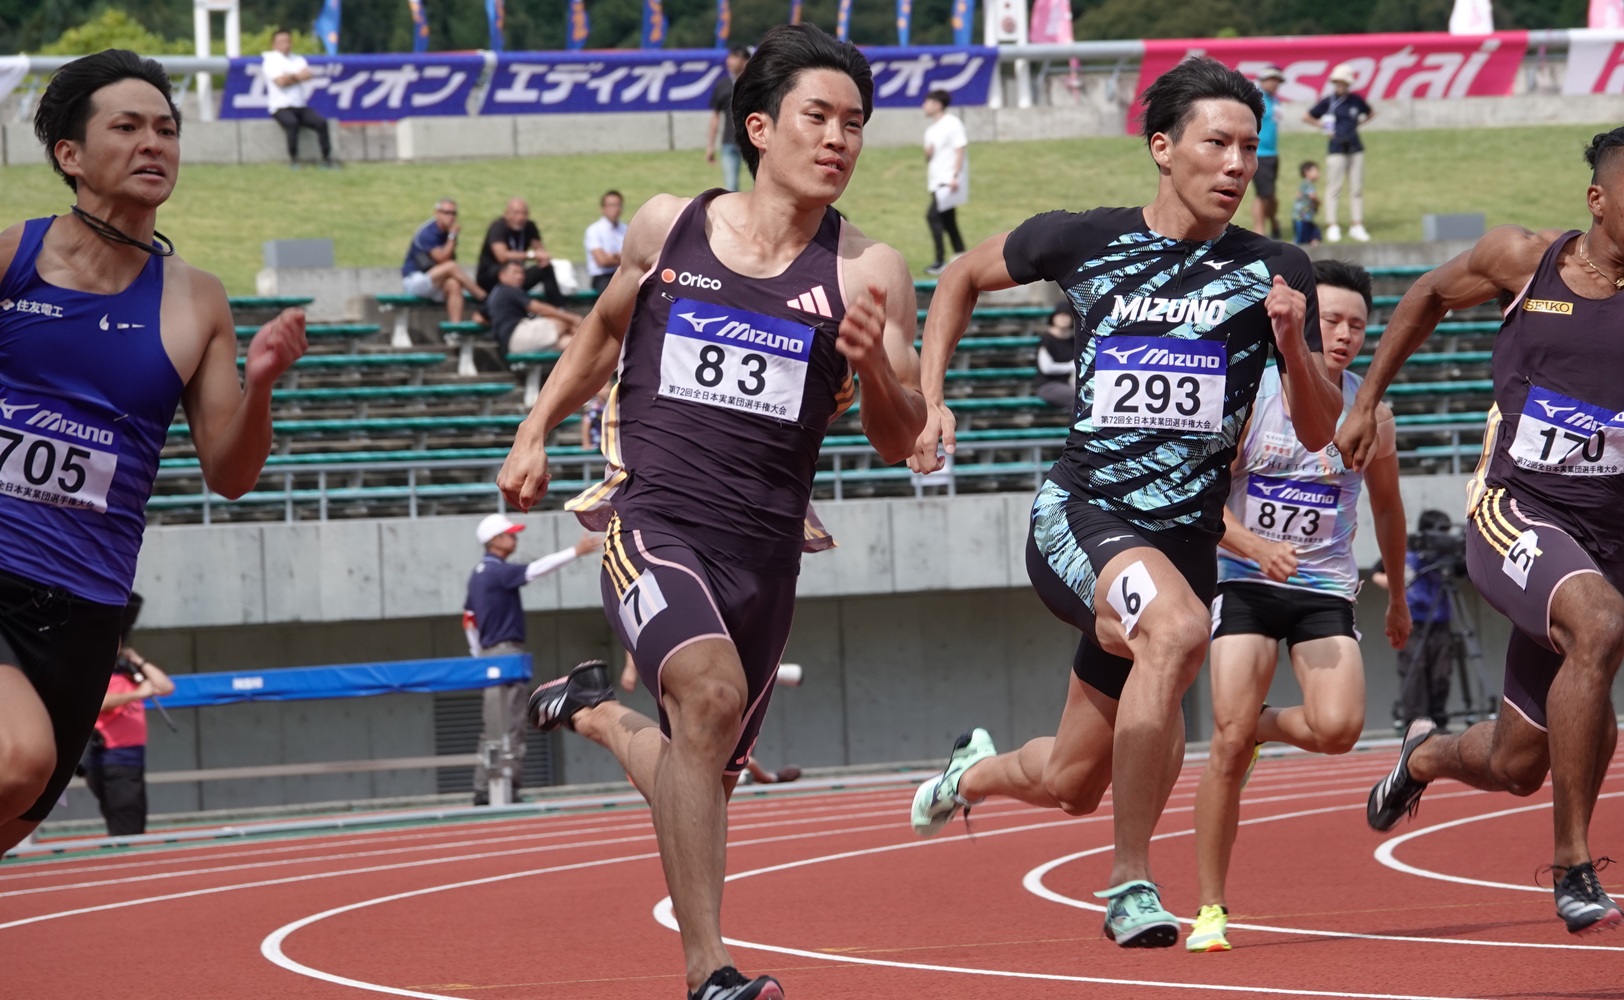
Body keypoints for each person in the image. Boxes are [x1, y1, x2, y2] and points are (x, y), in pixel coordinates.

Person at [499, 25, 926, 999]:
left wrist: (871, 367)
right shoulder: (668, 227)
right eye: (817, 117)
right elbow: (605, 331)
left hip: (766, 551)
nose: (838, 139)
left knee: (703, 771)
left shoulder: (871, 271)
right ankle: (710, 971)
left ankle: (600, 713)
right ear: (759, 126)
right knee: (709, 700)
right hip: (654, 521)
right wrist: (534, 431)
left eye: (855, 123)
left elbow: (898, 441)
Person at [906, 55, 1340, 950]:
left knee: (1072, 779)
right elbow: (955, 280)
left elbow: (1317, 425)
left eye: (1249, 150)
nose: (1235, 165)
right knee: (1178, 633)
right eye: (1216, 143)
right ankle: (1132, 882)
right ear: (1161, 148)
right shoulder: (1084, 240)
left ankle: (971, 774)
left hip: (1180, 543)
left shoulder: (1275, 268)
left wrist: (1297, 348)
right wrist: (931, 396)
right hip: (1083, 514)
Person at [0, 49, 307, 854]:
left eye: (167, 129)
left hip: (87, 601)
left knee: (18, 805)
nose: (154, 144)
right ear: (69, 155)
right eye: (127, 127)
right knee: (14, 758)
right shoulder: (12, 259)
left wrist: (263, 382)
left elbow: (231, 474)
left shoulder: (195, 297)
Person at [1337, 127, 1624, 936]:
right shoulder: (1524, 261)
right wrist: (1366, 402)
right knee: (1599, 626)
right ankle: (1572, 865)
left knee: (1515, 762)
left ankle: (1422, 757)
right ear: (1598, 200)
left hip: (1613, 538)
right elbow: (1427, 295)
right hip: (1519, 511)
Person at [1187, 259, 1411, 952]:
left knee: (1341, 728)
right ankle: (1210, 909)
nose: (1343, 336)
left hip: (1321, 589)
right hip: (1246, 580)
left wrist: (1398, 597)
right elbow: (1198, 503)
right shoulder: (1251, 395)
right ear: (1305, 323)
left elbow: (1388, 508)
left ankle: (1263, 727)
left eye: (1356, 325)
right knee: (1223, 740)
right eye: (1331, 321)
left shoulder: (1369, 413)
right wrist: (1254, 547)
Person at [463, 513, 598, 806]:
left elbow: (469, 620)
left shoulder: (478, 574)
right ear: (494, 541)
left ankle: (484, 787)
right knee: (510, 724)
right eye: (509, 534)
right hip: (505, 653)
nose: (515, 538)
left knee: (493, 725)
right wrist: (575, 552)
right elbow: (535, 570)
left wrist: (478, 658)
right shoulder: (497, 571)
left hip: (488, 657)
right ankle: (504, 788)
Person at [83, 593, 173, 836]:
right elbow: (99, 704)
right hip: (112, 759)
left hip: (132, 759)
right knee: (126, 823)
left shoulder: (128, 672)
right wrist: (136, 695)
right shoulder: (96, 673)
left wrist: (137, 660)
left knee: (133, 817)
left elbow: (165, 687)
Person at [1371, 509, 1458, 732]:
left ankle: (1439, 720)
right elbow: (1376, 572)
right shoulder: (1408, 551)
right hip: (1413, 622)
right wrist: (1398, 587)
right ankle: (1415, 723)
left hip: (1440, 620)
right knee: (1414, 670)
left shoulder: (1446, 554)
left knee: (1441, 673)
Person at [1304, 65, 1373, 244]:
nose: (1340, 85)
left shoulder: (1356, 100)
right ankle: (1332, 225)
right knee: (1334, 187)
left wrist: (1358, 125)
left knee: (1356, 188)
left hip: (1355, 147)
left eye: (1343, 82)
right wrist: (1324, 127)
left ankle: (1357, 224)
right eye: (1337, 82)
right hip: (1336, 148)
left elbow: (1370, 112)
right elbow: (1307, 116)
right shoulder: (1329, 101)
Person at [260, 28, 336, 169]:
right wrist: (297, 76)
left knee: (321, 123)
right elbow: (280, 82)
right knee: (292, 123)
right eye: (282, 42)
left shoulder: (298, 59)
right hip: (280, 106)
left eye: (288, 41)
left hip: (300, 105)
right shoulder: (270, 60)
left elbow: (308, 75)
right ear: (274, 44)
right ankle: (294, 160)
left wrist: (290, 76)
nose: (286, 45)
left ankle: (326, 159)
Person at [402, 198, 484, 323]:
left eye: (453, 213)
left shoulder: (447, 233)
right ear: (436, 213)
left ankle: (455, 330)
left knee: (454, 285)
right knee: (451, 266)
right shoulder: (428, 232)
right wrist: (452, 236)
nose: (450, 217)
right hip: (415, 280)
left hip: (434, 282)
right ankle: (482, 297)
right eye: (446, 213)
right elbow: (443, 259)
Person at [482, 259, 582, 360]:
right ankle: (588, 337)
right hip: (516, 336)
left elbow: (478, 318)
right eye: (515, 272)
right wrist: (572, 317)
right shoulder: (509, 289)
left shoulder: (494, 294)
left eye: (522, 273)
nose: (520, 276)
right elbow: (538, 308)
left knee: (567, 342)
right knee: (562, 322)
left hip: (509, 343)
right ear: (502, 275)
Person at [475, 198, 563, 304]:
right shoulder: (498, 227)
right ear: (506, 214)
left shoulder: (529, 226)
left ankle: (558, 307)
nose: (520, 217)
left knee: (545, 268)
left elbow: (541, 252)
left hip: (517, 274)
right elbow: (502, 256)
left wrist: (543, 259)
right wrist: (532, 255)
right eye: (516, 213)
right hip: (492, 276)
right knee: (508, 272)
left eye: (524, 213)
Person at [922, 88, 968, 277]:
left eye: (927, 102)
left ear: (937, 104)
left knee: (932, 217)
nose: (924, 106)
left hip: (948, 182)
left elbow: (960, 149)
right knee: (949, 221)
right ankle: (962, 257)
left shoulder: (952, 123)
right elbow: (928, 156)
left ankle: (940, 261)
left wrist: (955, 176)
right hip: (936, 181)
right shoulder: (931, 129)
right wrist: (929, 152)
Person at [705, 46, 750, 193]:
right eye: (729, 57)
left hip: (754, 142)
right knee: (731, 187)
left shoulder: (756, 84)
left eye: (735, 57)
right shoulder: (722, 85)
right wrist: (710, 145)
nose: (730, 61)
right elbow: (715, 117)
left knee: (763, 185)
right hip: (729, 142)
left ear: (745, 60)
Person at [1250, 66, 1284, 239]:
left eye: (1277, 80)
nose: (1275, 83)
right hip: (1259, 153)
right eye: (1272, 79)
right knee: (1262, 194)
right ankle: (1259, 230)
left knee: (1270, 194)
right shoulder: (1255, 99)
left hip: (1272, 152)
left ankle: (1274, 221)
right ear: (1263, 80)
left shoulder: (1276, 100)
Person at [1034, 304, 1076, 410]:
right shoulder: (1047, 340)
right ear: (1053, 318)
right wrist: (1071, 366)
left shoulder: (1073, 341)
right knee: (1078, 397)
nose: (1064, 318)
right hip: (1048, 385)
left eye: (1067, 315)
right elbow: (1047, 368)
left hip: (1068, 384)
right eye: (1061, 315)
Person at [584, 190, 627, 293]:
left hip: (623, 273)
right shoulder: (594, 230)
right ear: (602, 208)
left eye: (618, 205)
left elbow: (635, 257)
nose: (615, 209)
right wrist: (622, 257)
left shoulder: (626, 229)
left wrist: (612, 256)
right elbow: (602, 261)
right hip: (602, 276)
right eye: (611, 205)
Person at [1293, 161, 1322, 245]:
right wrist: (1319, 202)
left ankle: (1313, 241)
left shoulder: (1305, 184)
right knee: (1301, 237)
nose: (1318, 174)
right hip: (1302, 216)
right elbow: (1312, 196)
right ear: (1307, 172)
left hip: (1305, 216)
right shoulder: (1308, 184)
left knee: (1312, 232)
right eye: (1316, 171)